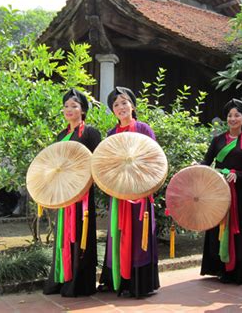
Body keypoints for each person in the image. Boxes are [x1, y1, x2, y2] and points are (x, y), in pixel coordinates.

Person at [97, 86, 160, 298]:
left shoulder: (143, 129)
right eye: (116, 104)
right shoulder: (111, 134)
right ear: (113, 111)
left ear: (133, 106)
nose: (121, 107)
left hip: (140, 193)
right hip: (118, 193)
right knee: (118, 234)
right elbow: (106, 164)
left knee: (138, 236)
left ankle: (140, 284)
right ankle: (119, 280)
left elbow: (154, 160)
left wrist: (142, 187)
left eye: (124, 102)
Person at [43, 88, 101, 297]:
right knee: (63, 235)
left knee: (80, 232)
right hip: (64, 193)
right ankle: (61, 278)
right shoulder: (62, 135)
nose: (69, 109)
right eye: (66, 106)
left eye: (74, 106)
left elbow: (98, 162)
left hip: (82, 194)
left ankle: (79, 282)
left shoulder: (91, 133)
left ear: (83, 110)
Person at [200, 99, 242, 285]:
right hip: (218, 190)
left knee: (239, 227)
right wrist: (197, 169)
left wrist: (238, 174)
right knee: (218, 226)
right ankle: (220, 268)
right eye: (230, 115)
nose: (233, 119)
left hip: (238, 191)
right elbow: (206, 163)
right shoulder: (217, 140)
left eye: (237, 115)